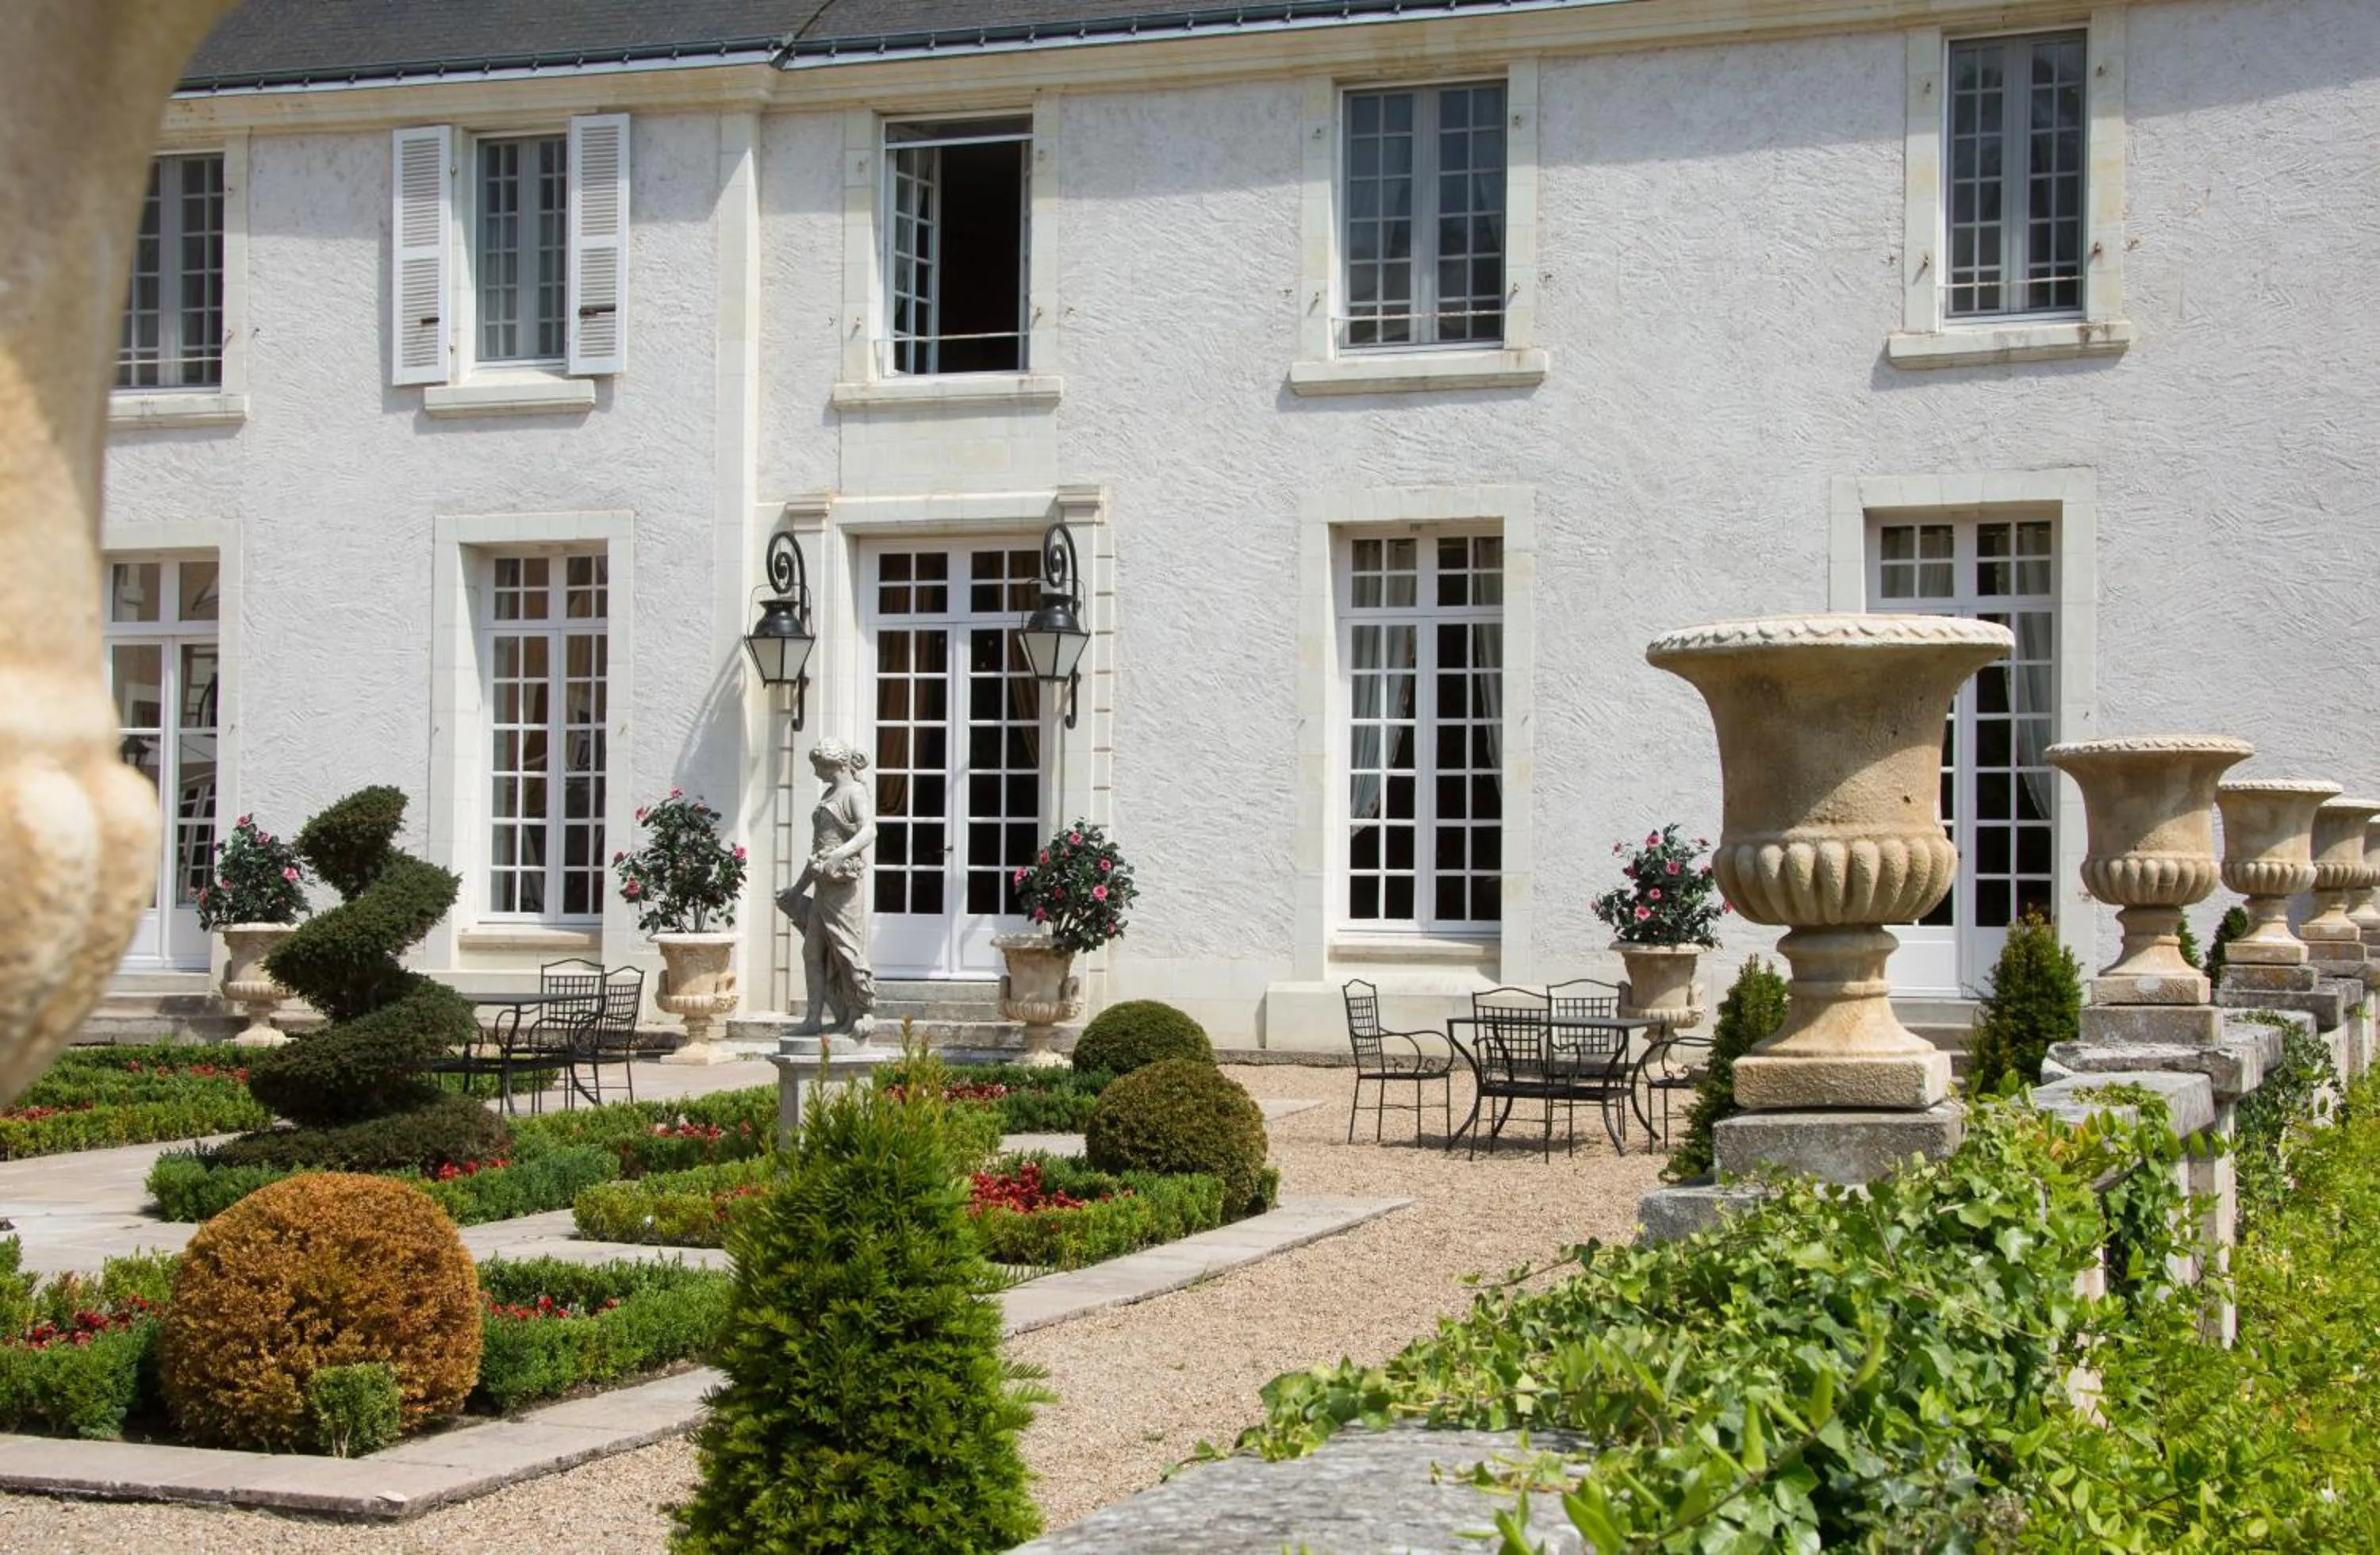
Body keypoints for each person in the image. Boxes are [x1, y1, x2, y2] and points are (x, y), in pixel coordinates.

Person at [777, 737, 877, 1036]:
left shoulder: (854, 792)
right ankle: (813, 1019)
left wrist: (840, 854)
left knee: (846, 953)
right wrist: (795, 892)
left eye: (819, 766)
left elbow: (869, 830)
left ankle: (859, 1014)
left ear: (836, 764)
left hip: (843, 893)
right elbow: (818, 854)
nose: (817, 773)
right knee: (812, 953)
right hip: (822, 888)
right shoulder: (831, 793)